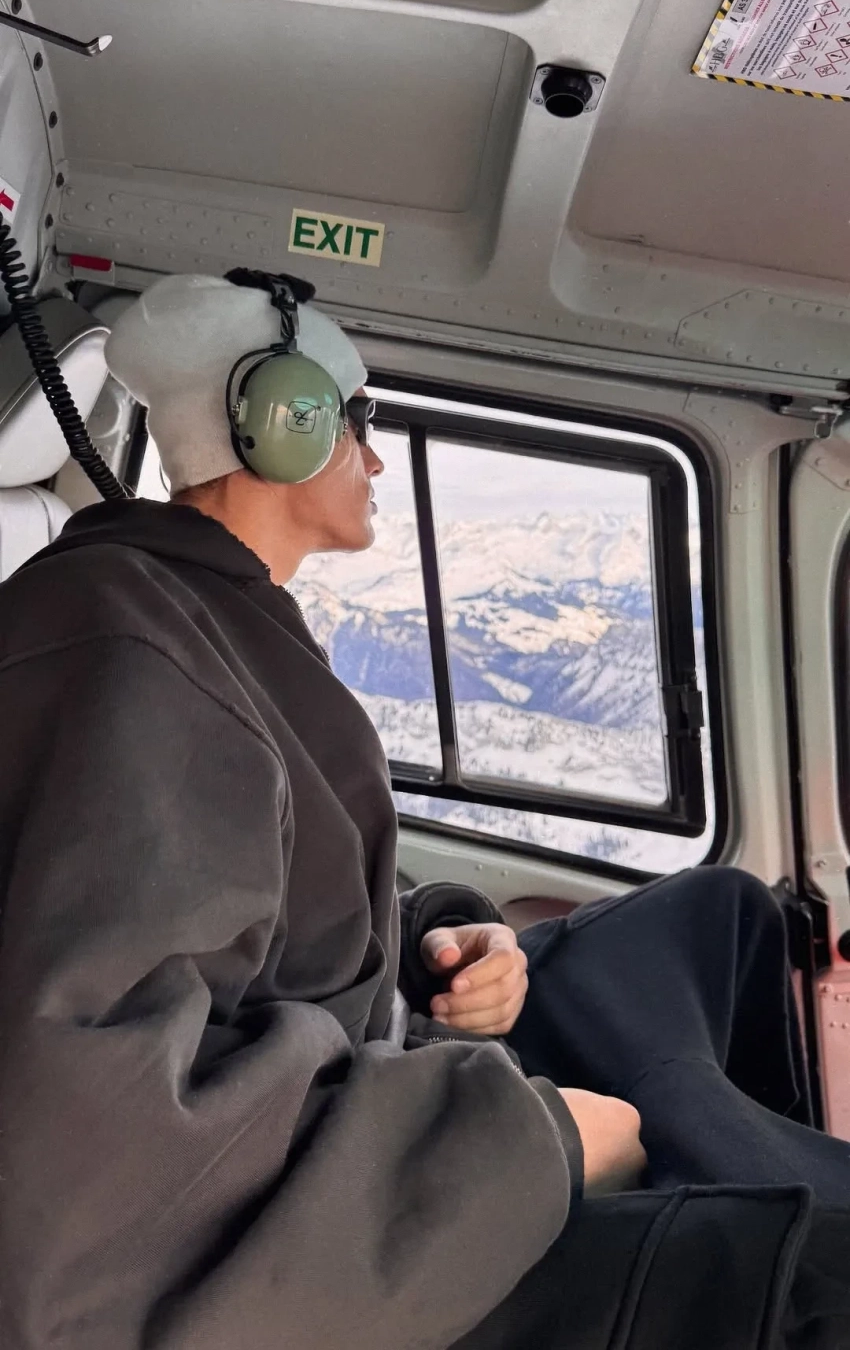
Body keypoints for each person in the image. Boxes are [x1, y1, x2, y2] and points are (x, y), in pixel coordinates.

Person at [0, 270, 847, 1350]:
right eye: (358, 424)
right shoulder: (133, 654)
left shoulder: (207, 614)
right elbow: (110, 1133)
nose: (376, 460)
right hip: (317, 1221)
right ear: (283, 424)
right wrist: (533, 1140)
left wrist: (438, 934)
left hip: (383, 1069)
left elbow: (269, 887)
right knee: (818, 1277)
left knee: (720, 914)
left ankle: (711, 1163)